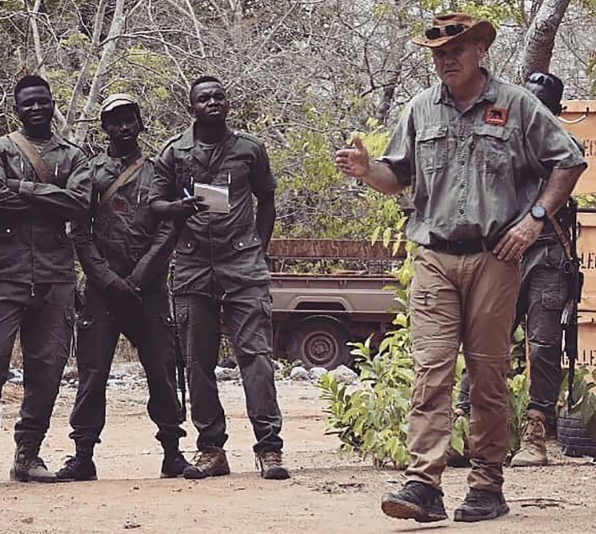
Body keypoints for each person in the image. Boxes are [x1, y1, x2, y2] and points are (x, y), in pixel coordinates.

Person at [336, 13, 586, 524]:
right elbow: (397, 176)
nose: (445, 61)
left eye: (455, 51)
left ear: (480, 51)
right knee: (431, 371)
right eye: (438, 55)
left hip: (496, 257)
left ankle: (486, 484)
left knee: (488, 374)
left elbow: (569, 159)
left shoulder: (516, 105)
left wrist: (535, 220)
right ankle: (423, 484)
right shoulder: (420, 109)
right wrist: (367, 172)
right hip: (434, 255)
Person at [149, 76, 290, 480]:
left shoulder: (249, 149)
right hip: (194, 265)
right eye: (203, 98)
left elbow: (267, 199)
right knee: (197, 362)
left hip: (242, 263)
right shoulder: (175, 151)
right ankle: (211, 449)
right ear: (191, 106)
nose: (212, 102)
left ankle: (270, 449)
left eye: (218, 96)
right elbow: (156, 204)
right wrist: (180, 206)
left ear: (228, 103)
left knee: (256, 357)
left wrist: (258, 247)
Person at [0, 75, 90, 485]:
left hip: (56, 275)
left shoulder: (73, 155)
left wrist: (24, 187)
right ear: (17, 109)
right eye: (27, 104)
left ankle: (28, 452)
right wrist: (50, 197)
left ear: (53, 105)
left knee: (47, 367)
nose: (35, 109)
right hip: (5, 273)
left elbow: (81, 204)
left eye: (42, 102)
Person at [55, 94, 191, 481]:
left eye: (130, 119)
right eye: (115, 121)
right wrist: (107, 278)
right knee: (93, 372)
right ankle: (83, 455)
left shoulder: (160, 171)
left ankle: (173, 452)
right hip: (102, 290)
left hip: (147, 291)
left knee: (163, 370)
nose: (124, 127)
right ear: (105, 128)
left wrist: (141, 274)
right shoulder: (90, 170)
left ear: (141, 123)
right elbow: (79, 230)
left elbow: (169, 226)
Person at [457, 72, 580, 468]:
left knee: (544, 345)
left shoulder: (564, 147)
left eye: (542, 103)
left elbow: (565, 171)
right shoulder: (501, 140)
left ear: (556, 111)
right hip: (503, 253)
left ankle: (536, 432)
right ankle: (466, 428)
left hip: (546, 253)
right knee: (485, 342)